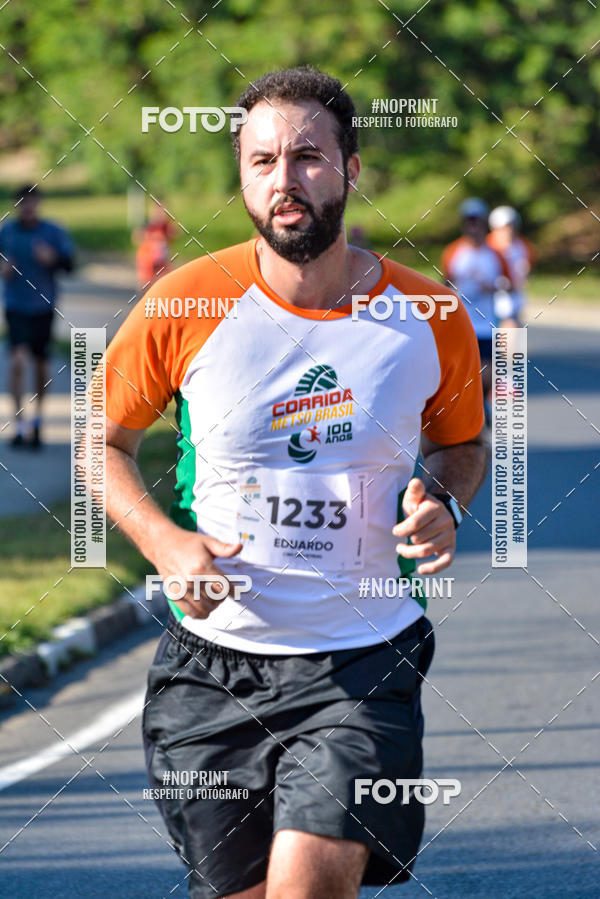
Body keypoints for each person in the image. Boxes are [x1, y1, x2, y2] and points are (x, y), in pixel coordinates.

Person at [102, 67, 488, 899]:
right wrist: (165, 543)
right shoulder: (182, 304)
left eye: (309, 156)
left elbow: (464, 442)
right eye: (262, 161)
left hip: (362, 660)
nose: (285, 181)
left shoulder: (429, 316)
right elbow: (99, 444)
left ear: (351, 167)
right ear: (242, 177)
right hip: (210, 666)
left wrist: (446, 502)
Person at [0, 184, 74, 447]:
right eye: (23, 202)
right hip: (15, 305)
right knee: (18, 361)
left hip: (43, 306)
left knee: (41, 365)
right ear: (16, 205)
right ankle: (19, 423)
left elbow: (69, 265)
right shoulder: (6, 232)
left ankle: (38, 421)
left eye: (32, 202)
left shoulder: (52, 232)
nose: (28, 207)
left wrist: (51, 259)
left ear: (38, 204)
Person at [441, 197, 511, 423]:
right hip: (462, 321)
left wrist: (490, 286)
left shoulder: (495, 254)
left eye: (477, 222)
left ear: (483, 224)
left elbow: (510, 283)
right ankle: (469, 411)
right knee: (462, 371)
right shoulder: (454, 252)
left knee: (487, 373)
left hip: (487, 321)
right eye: (469, 222)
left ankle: (481, 404)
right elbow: (444, 283)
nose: (473, 227)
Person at [487, 205, 535, 327]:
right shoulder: (488, 246)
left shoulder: (522, 245)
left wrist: (525, 277)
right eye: (504, 227)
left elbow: (528, 266)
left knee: (513, 332)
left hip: (515, 296)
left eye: (511, 226)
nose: (509, 230)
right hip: (494, 297)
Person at [134, 201, 177, 289]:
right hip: (148, 259)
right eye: (158, 211)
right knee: (147, 282)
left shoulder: (166, 226)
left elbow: (174, 234)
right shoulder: (148, 225)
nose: (160, 214)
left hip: (162, 259)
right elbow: (136, 237)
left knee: (163, 280)